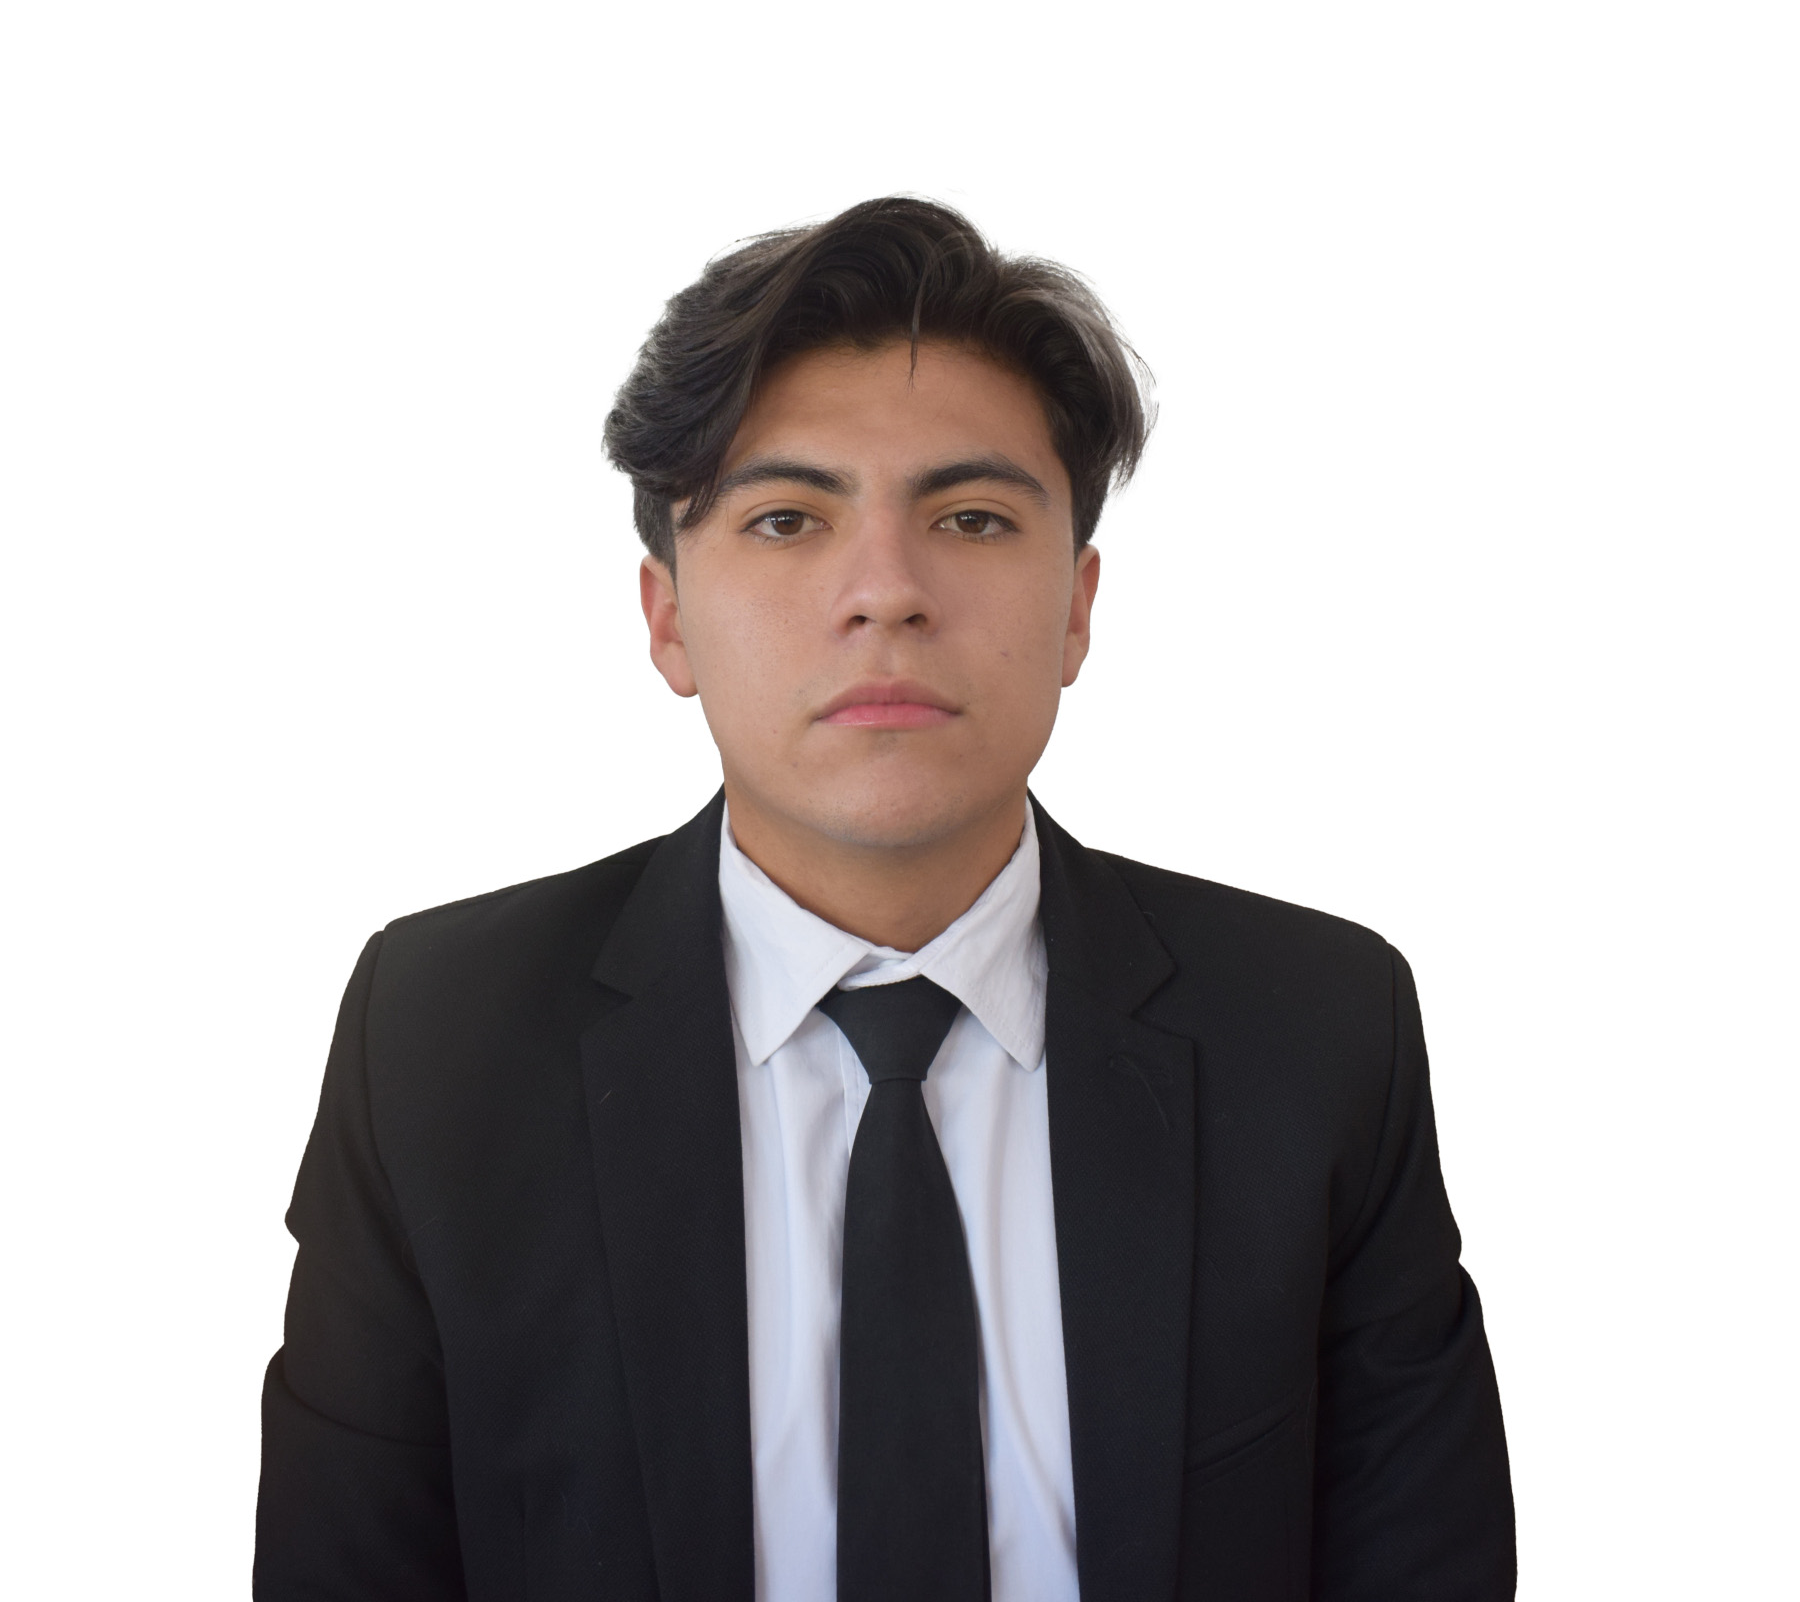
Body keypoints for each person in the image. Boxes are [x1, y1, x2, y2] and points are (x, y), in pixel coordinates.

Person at [254, 197, 1515, 1601]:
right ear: (668, 618)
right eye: (788, 519)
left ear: (1077, 606)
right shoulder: (440, 1044)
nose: (886, 594)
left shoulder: (1317, 1035)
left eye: (971, 518)